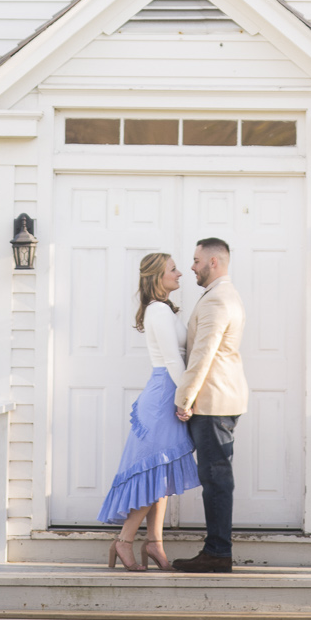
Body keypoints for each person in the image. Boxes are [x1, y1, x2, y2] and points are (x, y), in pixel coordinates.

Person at [98, 252, 200, 570]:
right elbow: (171, 359)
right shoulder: (158, 310)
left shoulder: (163, 309)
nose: (180, 273)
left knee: (162, 470)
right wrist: (187, 397)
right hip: (164, 395)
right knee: (154, 471)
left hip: (167, 391)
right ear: (158, 276)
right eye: (173, 269)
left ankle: (154, 542)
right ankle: (124, 540)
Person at [172, 237, 248, 574]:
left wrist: (184, 398)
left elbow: (203, 354)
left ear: (213, 262)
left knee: (216, 478)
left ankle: (218, 553)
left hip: (213, 401)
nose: (191, 267)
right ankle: (217, 550)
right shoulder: (224, 294)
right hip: (220, 397)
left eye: (196, 260)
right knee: (217, 476)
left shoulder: (218, 299)